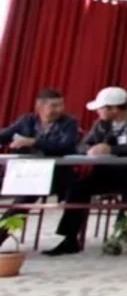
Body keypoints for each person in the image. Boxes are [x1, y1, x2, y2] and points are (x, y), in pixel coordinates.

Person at [44, 86, 127, 256]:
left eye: (101, 108)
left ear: (114, 108)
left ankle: (122, 236)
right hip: (106, 173)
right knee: (78, 188)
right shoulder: (101, 123)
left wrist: (111, 149)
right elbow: (82, 145)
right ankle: (70, 238)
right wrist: (92, 149)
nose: (97, 111)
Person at [0, 88, 79, 226]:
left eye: (61, 105)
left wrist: (34, 142)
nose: (59, 109)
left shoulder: (69, 122)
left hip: (52, 173)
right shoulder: (27, 120)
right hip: (23, 171)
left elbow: (66, 146)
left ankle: (1, 232)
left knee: (23, 200)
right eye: (54, 106)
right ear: (39, 106)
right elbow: (5, 135)